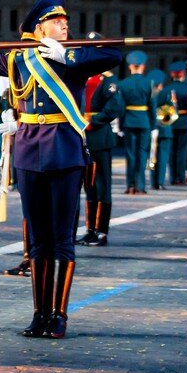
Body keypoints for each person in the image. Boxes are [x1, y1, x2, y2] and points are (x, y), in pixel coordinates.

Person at [0, 0, 121, 339]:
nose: (65, 24)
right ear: (38, 26)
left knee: (62, 238)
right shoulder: (19, 57)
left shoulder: (72, 55)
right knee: (38, 241)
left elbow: (113, 54)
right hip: (30, 152)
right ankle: (38, 314)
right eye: (56, 20)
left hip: (64, 152)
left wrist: (70, 57)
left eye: (65, 20)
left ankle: (58, 315)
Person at [77, 34, 122, 246]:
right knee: (89, 186)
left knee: (103, 185)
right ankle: (90, 229)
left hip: (99, 136)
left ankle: (102, 232)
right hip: (82, 136)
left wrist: (93, 120)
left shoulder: (108, 79)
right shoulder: (82, 75)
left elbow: (115, 107)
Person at [118, 50, 154, 196]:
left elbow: (121, 107)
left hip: (129, 121)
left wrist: (121, 124)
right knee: (142, 154)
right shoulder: (149, 83)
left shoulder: (123, 84)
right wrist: (153, 125)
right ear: (143, 66)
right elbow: (152, 105)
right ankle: (140, 186)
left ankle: (130, 185)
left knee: (130, 154)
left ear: (130, 66)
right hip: (144, 122)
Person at [162, 61, 187, 186]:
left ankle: (172, 178)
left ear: (172, 74)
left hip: (169, 122)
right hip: (184, 121)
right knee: (182, 151)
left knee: (171, 151)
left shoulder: (166, 89)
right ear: (182, 73)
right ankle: (180, 178)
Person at [148, 68, 172, 191]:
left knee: (152, 157)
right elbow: (172, 111)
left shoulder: (149, 94)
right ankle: (160, 182)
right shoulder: (166, 94)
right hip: (164, 129)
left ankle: (153, 182)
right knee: (162, 158)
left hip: (152, 128)